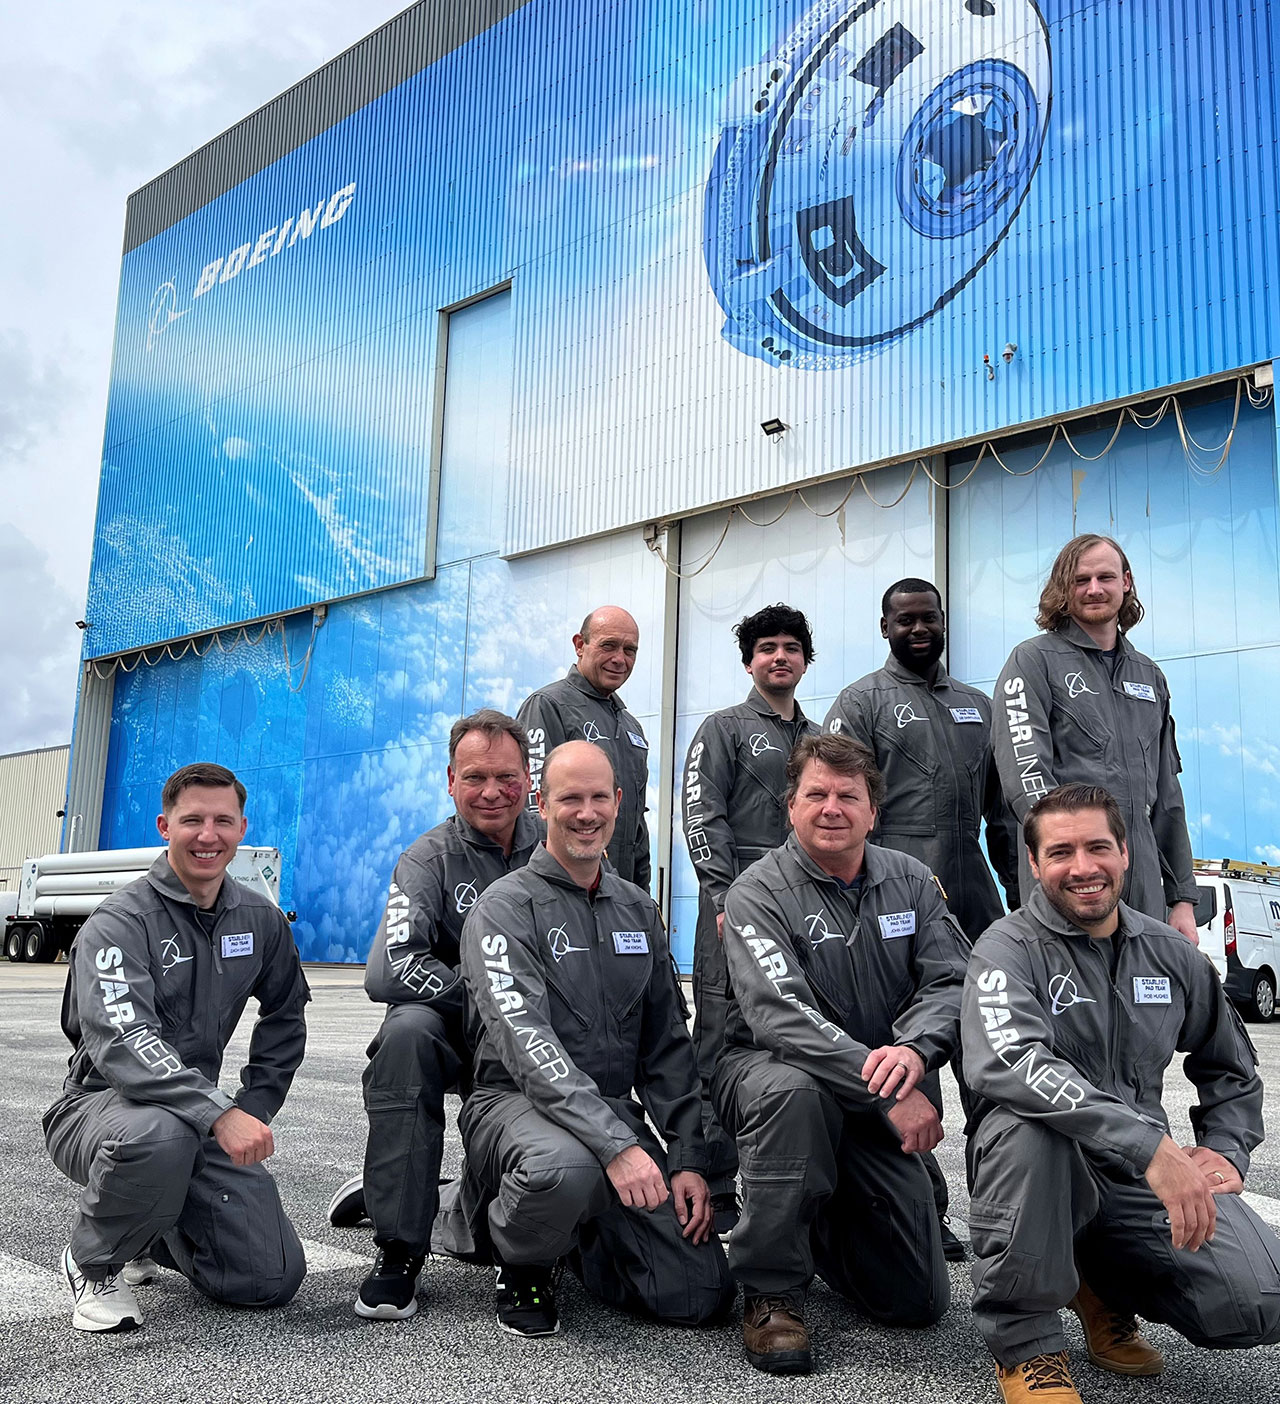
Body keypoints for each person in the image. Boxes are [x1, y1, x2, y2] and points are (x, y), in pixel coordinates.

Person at [962, 783, 1280, 1404]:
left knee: (1257, 1299)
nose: (1082, 868)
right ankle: (1029, 1345)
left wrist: (1225, 1148)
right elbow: (1012, 1060)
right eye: (1060, 853)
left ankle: (1098, 1287)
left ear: (1125, 853)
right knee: (1031, 1130)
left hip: (1134, 1178)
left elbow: (1232, 1068)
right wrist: (1151, 1148)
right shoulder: (1007, 948)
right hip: (1040, 1163)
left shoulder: (1170, 954)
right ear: (1033, 864)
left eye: (1097, 847)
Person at [459, 740, 733, 1337]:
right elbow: (527, 1044)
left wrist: (687, 1158)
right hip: (515, 1104)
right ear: (541, 803)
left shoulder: (637, 909)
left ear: (619, 802)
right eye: (569, 799)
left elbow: (667, 1047)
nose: (586, 813)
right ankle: (522, 1258)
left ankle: (581, 1237)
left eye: (598, 798)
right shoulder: (503, 908)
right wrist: (617, 1147)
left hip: (612, 1115)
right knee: (564, 1169)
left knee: (700, 1295)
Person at [716, 734, 970, 1374]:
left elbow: (952, 981)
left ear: (873, 811)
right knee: (795, 1096)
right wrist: (889, 1086)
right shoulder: (757, 892)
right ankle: (771, 1286)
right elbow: (782, 1016)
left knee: (918, 1301)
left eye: (848, 795)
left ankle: (820, 1214)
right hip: (771, 1074)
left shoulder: (911, 882)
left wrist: (913, 1051)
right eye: (816, 794)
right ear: (791, 807)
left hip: (876, 1089)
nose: (832, 807)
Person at [43, 762, 309, 1333]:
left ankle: (153, 1228)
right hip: (100, 1109)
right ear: (166, 826)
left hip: (198, 1119)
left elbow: (286, 1016)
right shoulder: (120, 922)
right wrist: (220, 1115)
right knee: (159, 1136)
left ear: (242, 829)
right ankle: (94, 1261)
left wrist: (253, 1107)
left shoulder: (260, 919)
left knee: (269, 1279)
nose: (207, 835)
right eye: (192, 821)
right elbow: (124, 1040)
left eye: (222, 821)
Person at [824, 577, 1021, 1259]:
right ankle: (926, 1210)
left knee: (991, 1058)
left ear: (943, 624)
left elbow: (1003, 815)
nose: (918, 629)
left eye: (928, 618)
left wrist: (1022, 898)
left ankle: (1001, 1208)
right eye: (904, 619)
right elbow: (841, 807)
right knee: (913, 1063)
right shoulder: (860, 703)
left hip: (976, 908)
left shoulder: (976, 706)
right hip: (897, 909)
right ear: (884, 627)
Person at [331, 710, 542, 1321]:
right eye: (476, 777)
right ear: (450, 779)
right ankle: (399, 1246)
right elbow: (388, 967)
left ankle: (466, 1210)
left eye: (507, 777)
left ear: (529, 779)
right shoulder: (427, 858)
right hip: (458, 1027)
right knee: (405, 1035)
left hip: (540, 1029)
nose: (492, 792)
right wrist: (488, 1002)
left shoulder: (560, 841)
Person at [682, 602, 820, 1233]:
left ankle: (792, 1187)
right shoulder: (722, 729)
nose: (780, 657)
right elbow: (700, 813)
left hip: (802, 915)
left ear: (805, 660)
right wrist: (720, 896)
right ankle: (713, 1188)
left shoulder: (817, 740)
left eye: (791, 647)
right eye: (767, 647)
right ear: (749, 660)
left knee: (794, 1038)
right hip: (732, 911)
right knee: (719, 1040)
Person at [992, 535, 1198, 942]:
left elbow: (1167, 797)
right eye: (1081, 579)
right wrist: (1075, 858)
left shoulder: (1148, 676)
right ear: (1063, 589)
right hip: (1072, 882)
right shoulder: (1032, 662)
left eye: (1105, 577)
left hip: (1143, 891)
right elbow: (1026, 779)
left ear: (1126, 582)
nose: (1094, 588)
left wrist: (1182, 900)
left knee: (1148, 1000)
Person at [517, 606, 651, 889]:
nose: (620, 659)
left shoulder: (631, 727)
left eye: (630, 650)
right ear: (580, 645)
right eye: (609, 646)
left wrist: (639, 891)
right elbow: (533, 811)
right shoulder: (548, 706)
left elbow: (637, 822)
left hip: (618, 893)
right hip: (564, 888)